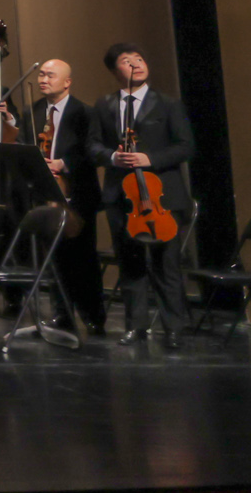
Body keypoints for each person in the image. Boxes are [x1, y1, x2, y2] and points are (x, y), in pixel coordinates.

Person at [90, 41, 195, 346]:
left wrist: (150, 159)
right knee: (130, 264)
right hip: (121, 195)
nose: (136, 63)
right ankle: (135, 327)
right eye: (127, 60)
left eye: (139, 58)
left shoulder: (168, 104)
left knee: (166, 265)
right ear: (115, 71)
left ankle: (174, 329)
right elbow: (92, 145)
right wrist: (113, 157)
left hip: (161, 197)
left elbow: (186, 146)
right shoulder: (104, 105)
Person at [27, 57, 106, 330]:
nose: (43, 80)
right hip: (46, 195)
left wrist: (64, 163)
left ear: (67, 82)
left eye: (50, 75)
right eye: (41, 75)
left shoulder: (85, 112)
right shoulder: (33, 111)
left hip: (77, 195)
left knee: (83, 257)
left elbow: (92, 152)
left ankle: (93, 316)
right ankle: (62, 313)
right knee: (54, 258)